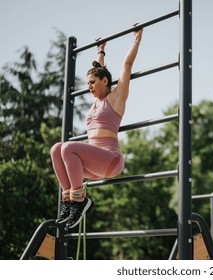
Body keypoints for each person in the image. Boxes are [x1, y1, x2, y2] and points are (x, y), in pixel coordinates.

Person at [50, 24, 143, 229]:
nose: (89, 86)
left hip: (111, 159)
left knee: (67, 147)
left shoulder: (116, 98)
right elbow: (100, 69)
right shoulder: (95, 103)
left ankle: (80, 200)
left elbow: (126, 65)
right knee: (56, 149)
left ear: (105, 81)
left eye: (92, 82)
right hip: (94, 165)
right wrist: (101, 50)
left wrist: (137, 39)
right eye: (88, 83)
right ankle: (68, 201)